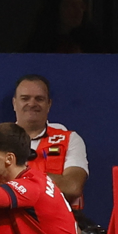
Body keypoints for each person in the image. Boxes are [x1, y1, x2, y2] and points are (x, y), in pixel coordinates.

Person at [12, 74, 89, 208]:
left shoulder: (70, 139)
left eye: (39, 99)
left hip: (56, 223)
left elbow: (72, 186)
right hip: (9, 221)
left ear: (49, 104)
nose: (32, 104)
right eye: (25, 98)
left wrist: (15, 176)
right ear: (14, 103)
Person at [25, 0, 105, 53]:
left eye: (80, 5)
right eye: (71, 5)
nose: (78, 10)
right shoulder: (40, 43)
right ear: (56, 8)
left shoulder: (92, 41)